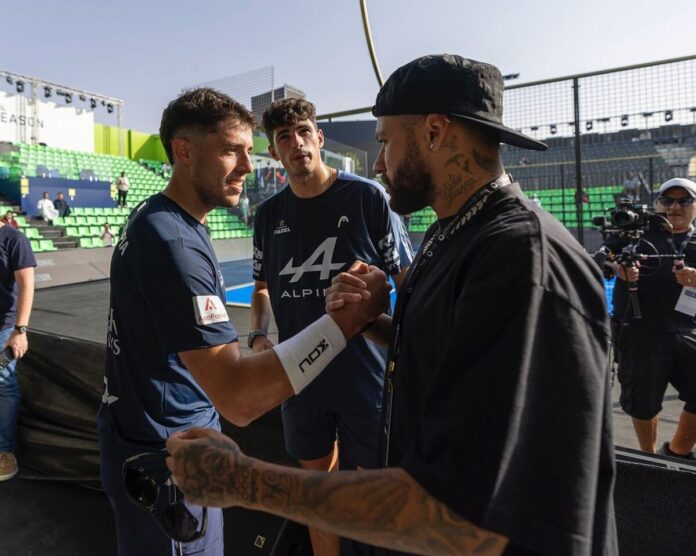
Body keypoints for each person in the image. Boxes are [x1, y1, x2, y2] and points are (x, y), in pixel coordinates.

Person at [166, 55, 618, 556]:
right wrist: (364, 323)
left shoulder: (521, 258)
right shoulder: (454, 233)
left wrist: (241, 483)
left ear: (434, 132)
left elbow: (460, 517)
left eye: (383, 142)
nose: (378, 163)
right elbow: (440, 344)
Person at [97, 88, 387, 556]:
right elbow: (239, 397)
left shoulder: (167, 221)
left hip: (168, 443)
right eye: (232, 151)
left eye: (249, 152)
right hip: (165, 460)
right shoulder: (174, 241)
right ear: (184, 152)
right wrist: (345, 323)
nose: (249, 167)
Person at [252, 98, 413, 555]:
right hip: (300, 379)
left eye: (304, 131)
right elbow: (262, 289)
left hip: (366, 379)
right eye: (284, 137)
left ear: (319, 138)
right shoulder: (268, 216)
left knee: (371, 494)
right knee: (315, 488)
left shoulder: (368, 197)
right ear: (273, 151)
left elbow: (410, 287)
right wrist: (260, 333)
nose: (296, 142)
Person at [598, 177, 696, 459]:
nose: (675, 206)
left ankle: (677, 453)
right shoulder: (636, 232)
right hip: (639, 331)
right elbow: (605, 256)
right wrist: (619, 269)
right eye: (667, 200)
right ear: (657, 204)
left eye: (684, 200)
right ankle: (649, 458)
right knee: (643, 402)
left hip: (687, 329)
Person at [0, 217, 36, 481]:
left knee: (4, 385)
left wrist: (20, 330)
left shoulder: (14, 239)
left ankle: (4, 452)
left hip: (4, 328)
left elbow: (27, 284)